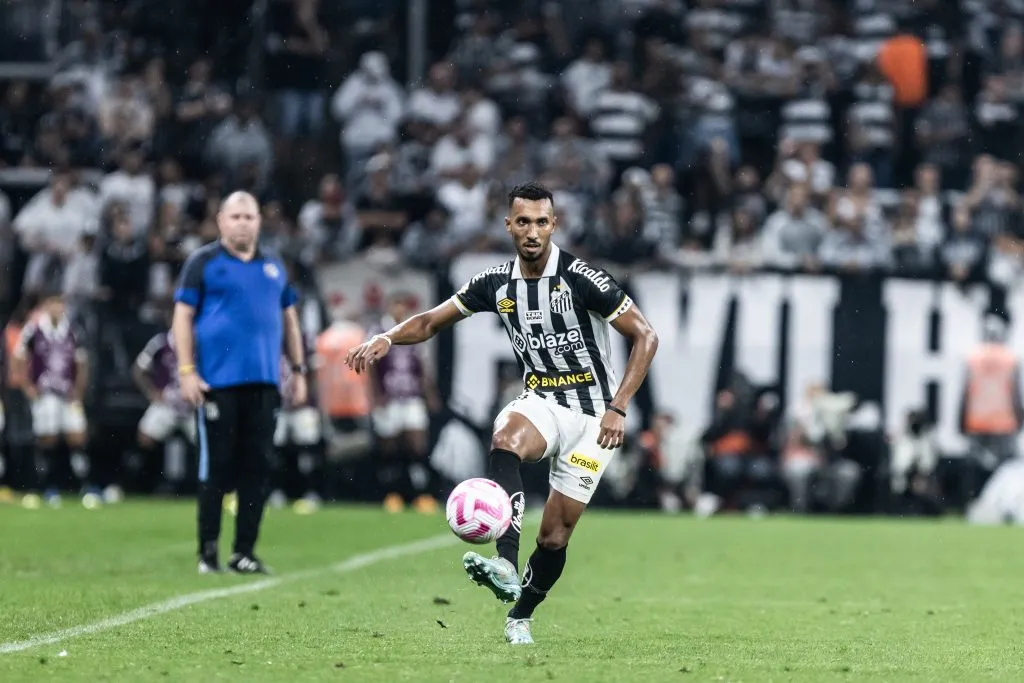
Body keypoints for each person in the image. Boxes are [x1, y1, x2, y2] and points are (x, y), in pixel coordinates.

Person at [346, 182, 659, 645]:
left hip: (594, 417)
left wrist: (619, 407)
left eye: (541, 222)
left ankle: (521, 614)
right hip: (542, 401)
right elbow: (431, 321)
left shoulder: (582, 279)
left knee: (555, 537)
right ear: (508, 225)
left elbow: (646, 336)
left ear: (554, 225)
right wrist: (387, 337)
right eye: (523, 222)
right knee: (506, 438)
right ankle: (505, 562)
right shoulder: (494, 282)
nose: (532, 231)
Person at [172, 191, 308, 575]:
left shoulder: (274, 265)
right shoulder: (203, 262)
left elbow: (290, 320)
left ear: (259, 222)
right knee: (216, 467)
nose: (243, 223)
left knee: (258, 467)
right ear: (220, 221)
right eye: (235, 217)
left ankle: (243, 552)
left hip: (264, 383)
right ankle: (207, 552)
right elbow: (182, 317)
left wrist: (298, 371)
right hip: (217, 382)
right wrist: (186, 371)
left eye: (249, 216)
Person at [11, 291, 93, 508]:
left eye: (60, 303)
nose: (57, 307)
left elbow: (82, 362)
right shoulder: (34, 329)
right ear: (45, 305)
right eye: (52, 303)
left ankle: (85, 486)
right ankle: (47, 486)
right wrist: (28, 387)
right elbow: (18, 358)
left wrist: (79, 390)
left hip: (68, 393)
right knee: (47, 439)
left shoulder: (73, 329)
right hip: (45, 393)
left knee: (77, 437)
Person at [369, 292, 442, 514]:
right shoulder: (378, 331)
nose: (400, 310)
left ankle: (422, 495)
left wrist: (429, 393)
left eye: (403, 306)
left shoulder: (413, 330)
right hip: (389, 397)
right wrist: (375, 396)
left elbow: (421, 365)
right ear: (390, 307)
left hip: (411, 396)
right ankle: (392, 495)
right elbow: (371, 367)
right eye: (396, 305)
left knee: (417, 447)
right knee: (389, 448)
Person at [131, 330, 195, 491]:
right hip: (167, 402)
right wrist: (151, 391)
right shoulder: (161, 341)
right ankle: (140, 482)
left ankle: (207, 486)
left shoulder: (199, 342)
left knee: (210, 443)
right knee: (145, 436)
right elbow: (138, 370)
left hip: (193, 405)